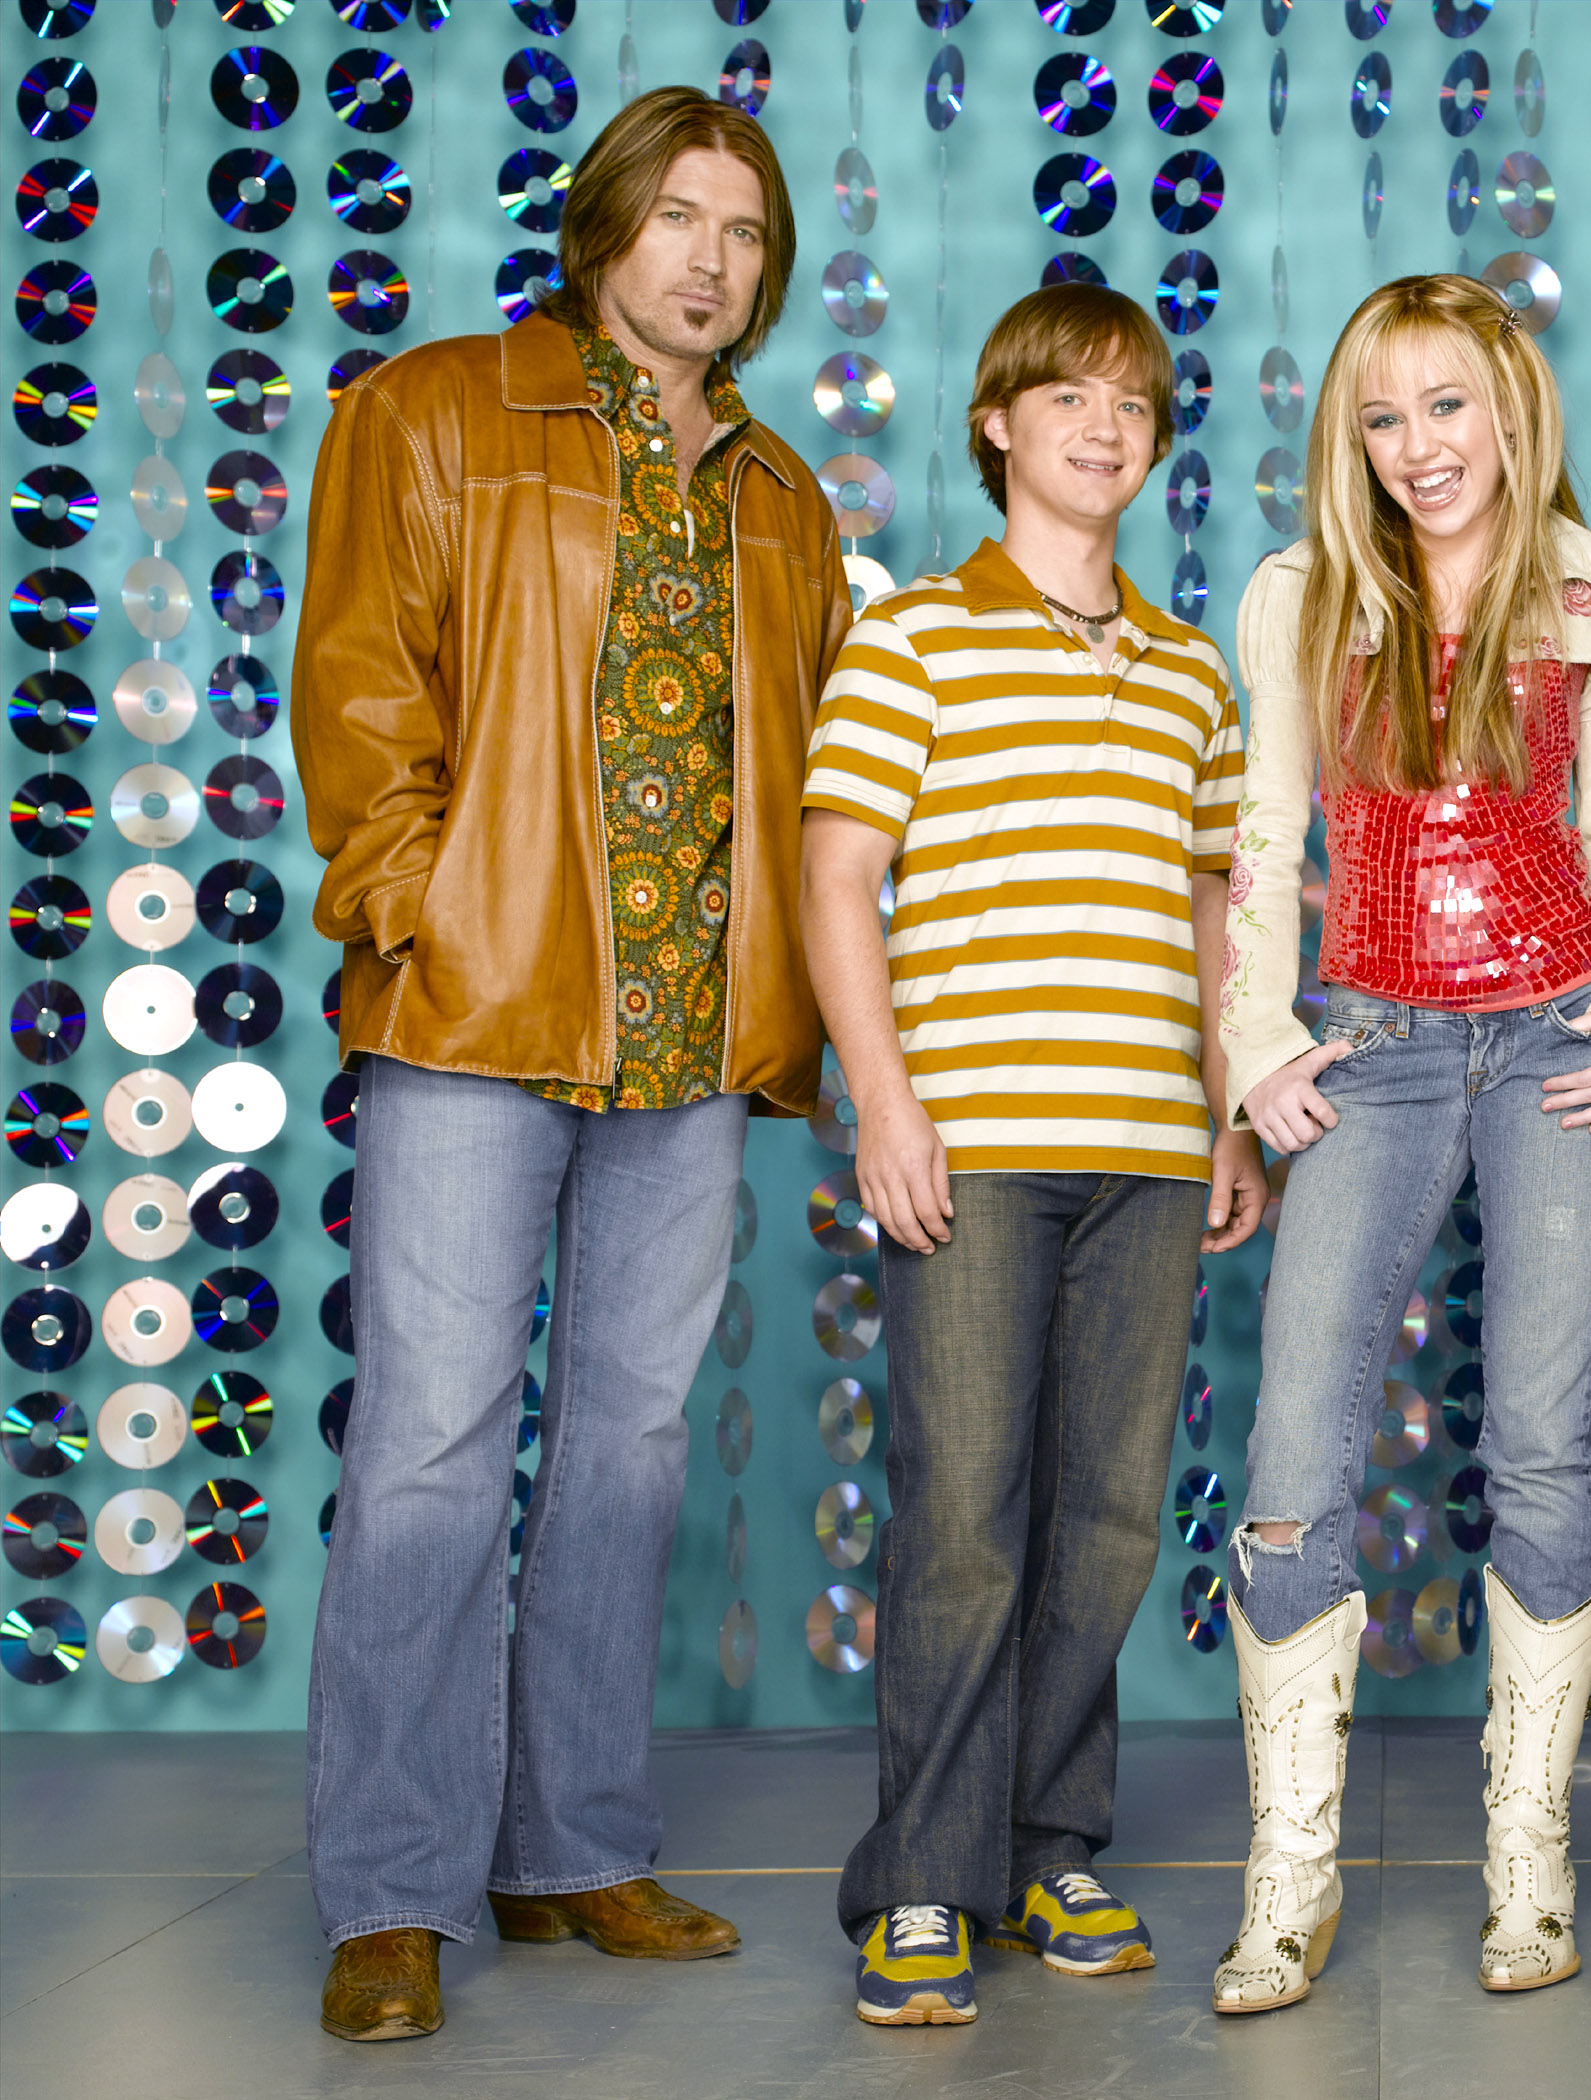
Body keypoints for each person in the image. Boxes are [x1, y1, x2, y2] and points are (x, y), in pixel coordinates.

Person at [291, 88, 848, 2043]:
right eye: (679, 216)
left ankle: (568, 1848)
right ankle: (392, 1888)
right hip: (477, 1006)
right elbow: (358, 679)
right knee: (431, 1449)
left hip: (692, 1033)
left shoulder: (780, 495)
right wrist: (414, 903)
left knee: (625, 1447)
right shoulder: (436, 410)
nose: (712, 259)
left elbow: (814, 771)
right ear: (605, 225)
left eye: (746, 232)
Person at [1213, 274, 1591, 2012]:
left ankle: (1527, 1857)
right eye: (1381, 416)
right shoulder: (1302, 594)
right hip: (1379, 1043)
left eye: (1444, 407)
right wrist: (1256, 1041)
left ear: (1509, 414)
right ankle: (1287, 1879)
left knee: (1545, 1444)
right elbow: (1265, 834)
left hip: (1560, 1034)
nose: (1417, 447)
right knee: (1293, 1443)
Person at [800, 282, 1265, 2030]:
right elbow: (838, 877)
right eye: (1067, 396)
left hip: (1149, 1149)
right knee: (962, 1519)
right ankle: (924, 1878)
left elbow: (1215, 909)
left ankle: (1050, 1844)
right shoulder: (915, 637)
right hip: (976, 1146)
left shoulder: (1191, 669)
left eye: (1132, 404)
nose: (1103, 426)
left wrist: (1232, 1106)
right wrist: (885, 1102)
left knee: (1109, 1522)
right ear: (996, 425)